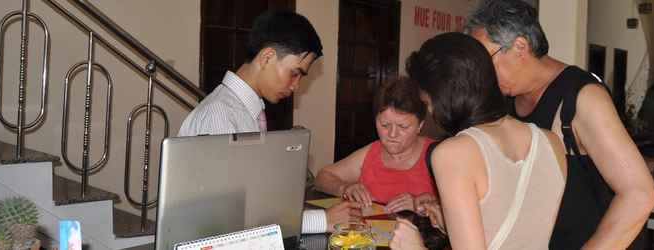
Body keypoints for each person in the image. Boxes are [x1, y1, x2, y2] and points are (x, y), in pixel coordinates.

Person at [464, 1, 654, 248]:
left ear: (520, 47)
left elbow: (641, 195)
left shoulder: (582, 97)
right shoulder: (506, 103)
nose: (482, 75)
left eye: (486, 61)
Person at [177, 10, 359, 234]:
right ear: (267, 57)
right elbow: (227, 220)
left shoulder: (245, 111)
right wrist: (321, 220)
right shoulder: (220, 116)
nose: (295, 86)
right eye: (295, 73)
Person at [392, 32, 568, 249]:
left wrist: (414, 247)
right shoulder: (552, 141)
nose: (431, 113)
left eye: (428, 104)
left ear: (444, 97)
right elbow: (522, 228)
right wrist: (453, 226)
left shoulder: (453, 153)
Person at [314, 78, 438, 213]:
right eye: (384, 125)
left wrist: (426, 205)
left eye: (403, 126)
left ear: (420, 125)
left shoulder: (438, 155)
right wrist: (344, 188)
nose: (392, 134)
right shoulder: (371, 153)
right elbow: (323, 177)